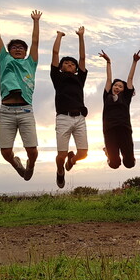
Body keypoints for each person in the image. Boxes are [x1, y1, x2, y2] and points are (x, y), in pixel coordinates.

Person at [0, 2, 42, 181]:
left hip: (26, 109)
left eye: (21, 47)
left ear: (25, 52)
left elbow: (35, 42)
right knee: (5, 151)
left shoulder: (30, 63)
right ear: (9, 51)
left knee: (32, 151)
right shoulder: (4, 60)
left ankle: (30, 165)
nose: (18, 49)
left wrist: (35, 21)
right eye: (14, 47)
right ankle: (16, 164)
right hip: (7, 111)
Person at [51, 27, 88, 188]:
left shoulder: (80, 78)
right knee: (61, 154)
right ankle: (60, 171)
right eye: (66, 63)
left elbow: (82, 57)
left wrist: (81, 37)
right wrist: (59, 36)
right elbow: (54, 54)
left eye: (72, 64)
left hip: (79, 117)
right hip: (63, 117)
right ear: (61, 67)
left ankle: (71, 161)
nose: (70, 65)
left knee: (83, 154)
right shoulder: (57, 77)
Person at [99, 50, 138, 169]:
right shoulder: (107, 96)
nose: (117, 87)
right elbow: (109, 79)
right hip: (109, 130)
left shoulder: (126, 98)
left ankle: (130, 157)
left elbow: (130, 78)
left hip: (124, 129)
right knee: (114, 164)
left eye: (120, 86)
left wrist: (134, 61)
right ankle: (108, 153)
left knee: (129, 163)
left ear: (124, 90)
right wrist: (108, 62)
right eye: (116, 85)